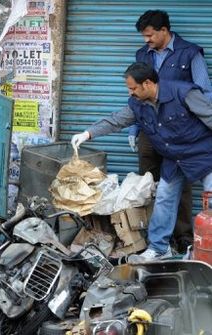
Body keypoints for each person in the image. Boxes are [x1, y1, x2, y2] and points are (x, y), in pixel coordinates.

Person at [71, 62, 212, 262]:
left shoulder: (183, 92)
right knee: (164, 197)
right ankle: (159, 248)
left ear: (147, 83)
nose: (130, 93)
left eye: (133, 88)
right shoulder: (137, 104)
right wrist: (87, 134)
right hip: (175, 159)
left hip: (204, 154)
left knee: (211, 203)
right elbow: (116, 120)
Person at [127, 10, 212, 253]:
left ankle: (183, 237)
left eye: (150, 35)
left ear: (164, 30)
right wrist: (134, 128)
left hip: (181, 131)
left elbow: (205, 93)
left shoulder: (190, 53)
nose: (146, 40)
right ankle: (154, 240)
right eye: (144, 36)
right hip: (151, 129)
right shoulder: (142, 54)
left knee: (179, 183)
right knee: (151, 183)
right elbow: (135, 95)